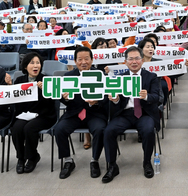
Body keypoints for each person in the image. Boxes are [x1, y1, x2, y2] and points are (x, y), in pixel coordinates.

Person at [102, 46, 161, 183]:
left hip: (144, 113)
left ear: (142, 60)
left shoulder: (151, 76)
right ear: (125, 62)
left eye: (137, 59)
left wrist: (146, 96)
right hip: (125, 113)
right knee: (109, 131)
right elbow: (115, 101)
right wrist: (115, 99)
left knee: (147, 130)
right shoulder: (120, 78)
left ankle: (147, 162)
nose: (134, 62)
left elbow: (157, 97)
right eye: (131, 59)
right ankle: (112, 166)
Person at [54, 46, 109, 179]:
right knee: (59, 129)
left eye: (86, 59)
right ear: (75, 61)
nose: (83, 62)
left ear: (92, 59)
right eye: (80, 59)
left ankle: (94, 160)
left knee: (100, 129)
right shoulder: (68, 76)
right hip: (74, 113)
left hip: (95, 113)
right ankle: (68, 161)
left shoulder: (100, 75)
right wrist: (64, 97)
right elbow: (64, 98)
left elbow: (107, 96)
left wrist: (97, 101)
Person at [11, 53, 56, 174]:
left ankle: (32, 158)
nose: (36, 66)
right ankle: (21, 158)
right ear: (25, 66)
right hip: (25, 114)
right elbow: (15, 101)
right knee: (16, 128)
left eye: (38, 63)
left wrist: (45, 90)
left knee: (29, 128)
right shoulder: (19, 81)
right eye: (32, 63)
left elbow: (52, 102)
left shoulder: (47, 80)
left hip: (44, 115)